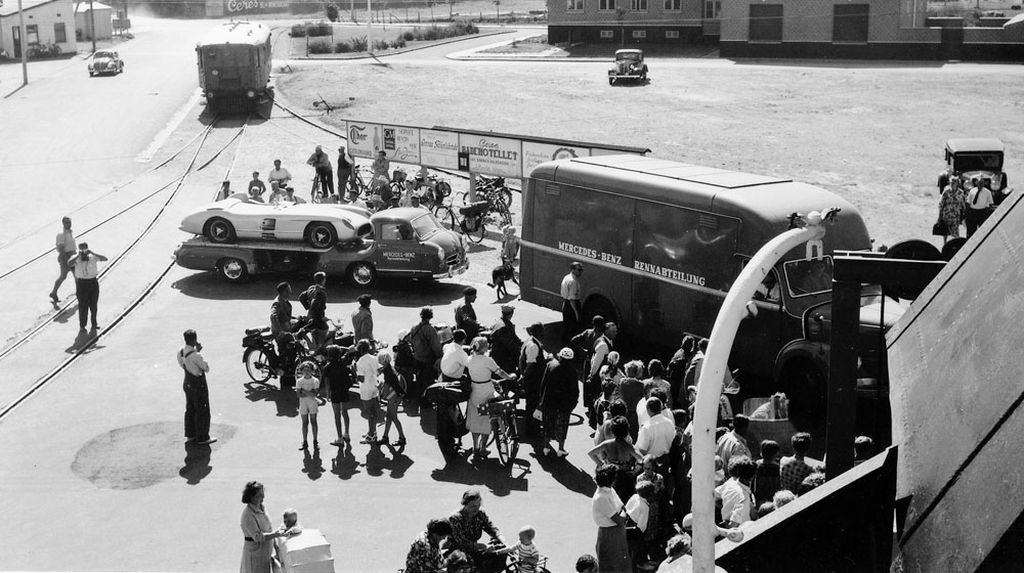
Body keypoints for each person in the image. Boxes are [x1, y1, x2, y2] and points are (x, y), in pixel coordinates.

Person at [466, 337, 516, 459]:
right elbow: (500, 372)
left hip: (474, 392)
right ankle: (483, 448)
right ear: (484, 347)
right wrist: (510, 377)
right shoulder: (488, 360)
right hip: (487, 391)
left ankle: (475, 448)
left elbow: (477, 375)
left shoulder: (469, 359)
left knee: (475, 421)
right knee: (487, 420)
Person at [240, 481, 294, 573]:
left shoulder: (262, 507)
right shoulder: (248, 515)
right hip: (255, 555)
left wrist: (276, 546)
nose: (263, 497)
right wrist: (276, 534)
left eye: (263, 494)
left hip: (265, 553)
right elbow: (258, 537)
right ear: (251, 497)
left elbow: (269, 527)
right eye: (259, 495)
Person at [588, 415, 643, 503]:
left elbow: (591, 453)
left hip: (610, 478)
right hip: (625, 480)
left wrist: (601, 464)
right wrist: (634, 471)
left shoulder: (606, 444)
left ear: (613, 431)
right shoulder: (629, 447)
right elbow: (641, 459)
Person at [448, 490, 505, 570]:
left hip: (474, 548)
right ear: (465, 504)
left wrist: (503, 540)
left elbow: (491, 528)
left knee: (498, 555)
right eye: (472, 506)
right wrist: (483, 546)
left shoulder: (480, 514)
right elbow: (462, 542)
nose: (476, 509)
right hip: (458, 551)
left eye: (478, 505)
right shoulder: (455, 518)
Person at [539, 347, 580, 457]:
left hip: (549, 402)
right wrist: (572, 404)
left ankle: (546, 447)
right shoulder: (572, 371)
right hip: (564, 405)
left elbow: (543, 384)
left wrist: (541, 400)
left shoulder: (551, 365)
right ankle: (560, 449)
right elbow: (575, 391)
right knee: (562, 426)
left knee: (547, 425)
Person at [177, 329, 216, 445]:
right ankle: (203, 437)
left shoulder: (181, 352)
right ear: (194, 340)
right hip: (198, 384)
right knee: (202, 410)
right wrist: (198, 351)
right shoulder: (195, 355)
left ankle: (190, 434)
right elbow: (206, 368)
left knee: (190, 408)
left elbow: (181, 364)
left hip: (187, 382)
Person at [592, 463, 631, 573]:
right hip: (609, 534)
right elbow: (619, 519)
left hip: (616, 531)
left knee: (621, 563)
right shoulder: (601, 497)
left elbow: (622, 507)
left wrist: (623, 513)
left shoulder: (609, 490)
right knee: (610, 565)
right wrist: (624, 514)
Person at [70, 242, 107, 331]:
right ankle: (82, 325)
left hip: (92, 282)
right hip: (82, 284)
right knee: (82, 306)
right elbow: (69, 263)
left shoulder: (92, 257)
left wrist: (93, 253)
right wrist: (78, 256)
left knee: (93, 305)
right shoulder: (75, 258)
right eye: (81, 249)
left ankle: (94, 323)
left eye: (85, 249)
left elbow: (105, 258)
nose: (83, 251)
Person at [323, 345, 354, 446]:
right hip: (344, 391)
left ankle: (339, 438)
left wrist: (328, 394)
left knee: (337, 416)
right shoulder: (343, 362)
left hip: (335, 392)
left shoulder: (327, 367)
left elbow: (327, 383)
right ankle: (347, 433)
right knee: (345, 413)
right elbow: (347, 353)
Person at [409, 307, 443, 401]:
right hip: (427, 360)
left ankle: (419, 398)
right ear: (430, 317)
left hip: (416, 358)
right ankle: (426, 401)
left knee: (419, 379)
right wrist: (439, 357)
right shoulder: (430, 330)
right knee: (427, 382)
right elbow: (436, 347)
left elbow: (411, 341)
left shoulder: (414, 327)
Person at [518, 322, 546, 432]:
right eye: (542, 330)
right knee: (532, 404)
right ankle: (531, 429)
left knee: (532, 403)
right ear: (538, 332)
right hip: (533, 380)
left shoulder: (530, 342)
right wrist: (524, 377)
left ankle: (532, 427)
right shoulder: (533, 346)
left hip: (532, 379)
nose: (544, 332)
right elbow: (530, 365)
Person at [715, 455, 757, 527]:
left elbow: (714, 494)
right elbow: (733, 524)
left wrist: (723, 506)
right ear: (752, 477)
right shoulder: (743, 498)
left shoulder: (729, 483)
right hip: (743, 532)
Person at [378, 351, 407, 447]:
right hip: (396, 394)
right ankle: (385, 436)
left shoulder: (388, 372)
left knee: (393, 417)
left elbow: (386, 386)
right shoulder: (390, 368)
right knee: (389, 416)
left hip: (394, 396)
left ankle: (402, 438)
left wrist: (381, 395)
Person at [354, 339, 380, 445]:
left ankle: (371, 435)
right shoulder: (374, 358)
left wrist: (354, 370)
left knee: (369, 413)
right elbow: (378, 371)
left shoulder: (359, 362)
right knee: (374, 411)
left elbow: (361, 379)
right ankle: (372, 431)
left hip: (366, 389)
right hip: (375, 386)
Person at [637, 397, 675, 464]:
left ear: (648, 410)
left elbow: (642, 450)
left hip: (650, 464)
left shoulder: (647, 427)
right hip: (666, 462)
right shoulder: (670, 422)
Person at [614, 360, 646, 441]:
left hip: (623, 412)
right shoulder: (641, 385)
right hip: (634, 414)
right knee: (633, 436)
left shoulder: (622, 382)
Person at [488, 305, 522, 375]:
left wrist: (523, 344)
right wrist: (520, 350)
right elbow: (510, 344)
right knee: (511, 374)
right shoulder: (504, 327)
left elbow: (515, 338)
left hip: (498, 353)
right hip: (503, 356)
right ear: (512, 313)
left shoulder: (500, 322)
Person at [49, 216, 76, 303]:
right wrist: (67, 258)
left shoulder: (69, 232)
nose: (69, 224)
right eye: (67, 222)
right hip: (67, 258)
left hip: (72, 256)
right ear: (63, 223)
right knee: (64, 276)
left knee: (76, 275)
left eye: (69, 222)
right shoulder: (61, 234)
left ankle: (79, 293)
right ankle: (54, 292)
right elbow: (60, 248)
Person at [295, 360, 320, 450]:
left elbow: (315, 394)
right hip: (303, 404)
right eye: (305, 370)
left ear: (312, 371)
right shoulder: (299, 381)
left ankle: (315, 441)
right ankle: (305, 441)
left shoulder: (315, 380)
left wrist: (304, 391)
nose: (307, 372)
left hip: (312, 403)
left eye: (308, 370)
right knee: (305, 423)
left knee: (314, 422)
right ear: (302, 371)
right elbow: (298, 395)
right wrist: (310, 392)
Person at [301, 272, 329, 352]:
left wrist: (307, 307)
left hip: (311, 317)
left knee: (315, 336)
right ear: (323, 280)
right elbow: (314, 305)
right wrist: (321, 317)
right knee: (324, 332)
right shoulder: (321, 292)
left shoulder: (311, 289)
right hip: (317, 318)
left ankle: (315, 349)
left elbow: (301, 297)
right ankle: (319, 351)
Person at [560, 261, 584, 344]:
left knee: (566, 327)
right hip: (572, 306)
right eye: (579, 270)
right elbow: (572, 299)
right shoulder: (573, 281)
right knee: (572, 329)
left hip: (566, 304)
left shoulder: (567, 277)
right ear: (573, 270)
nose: (581, 272)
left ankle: (564, 345)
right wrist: (576, 313)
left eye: (581, 270)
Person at [937, 174, 966, 243]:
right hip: (946, 215)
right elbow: (941, 204)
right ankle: (945, 243)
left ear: (957, 184)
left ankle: (957, 244)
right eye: (951, 182)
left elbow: (963, 205)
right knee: (945, 232)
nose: (952, 184)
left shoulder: (960, 193)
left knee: (956, 233)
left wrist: (964, 215)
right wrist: (939, 216)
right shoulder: (946, 191)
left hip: (956, 216)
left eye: (954, 183)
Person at [752, 439, 781, 505]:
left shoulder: (757, 464)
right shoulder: (776, 467)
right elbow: (777, 484)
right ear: (775, 453)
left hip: (759, 496)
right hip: (771, 497)